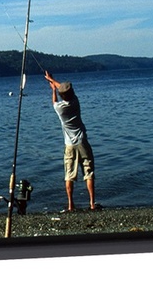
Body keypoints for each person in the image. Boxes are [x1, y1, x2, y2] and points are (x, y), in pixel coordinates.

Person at [44, 71, 99, 212]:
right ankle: (92, 204)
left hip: (69, 145)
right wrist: (53, 80)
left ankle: (70, 205)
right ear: (72, 93)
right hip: (82, 142)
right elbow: (64, 91)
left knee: (69, 175)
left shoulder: (59, 108)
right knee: (88, 172)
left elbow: (55, 100)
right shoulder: (75, 101)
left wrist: (53, 88)